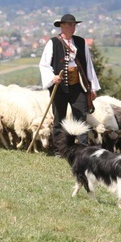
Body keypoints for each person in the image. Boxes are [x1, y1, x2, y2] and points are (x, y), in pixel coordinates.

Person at [39, 13, 100, 145]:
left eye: (74, 25)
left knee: (81, 118)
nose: (73, 28)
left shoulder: (80, 42)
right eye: (70, 25)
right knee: (59, 118)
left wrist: (93, 87)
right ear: (62, 26)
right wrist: (52, 77)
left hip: (78, 87)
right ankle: (59, 148)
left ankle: (83, 147)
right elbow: (44, 64)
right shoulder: (53, 43)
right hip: (59, 87)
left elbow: (88, 65)